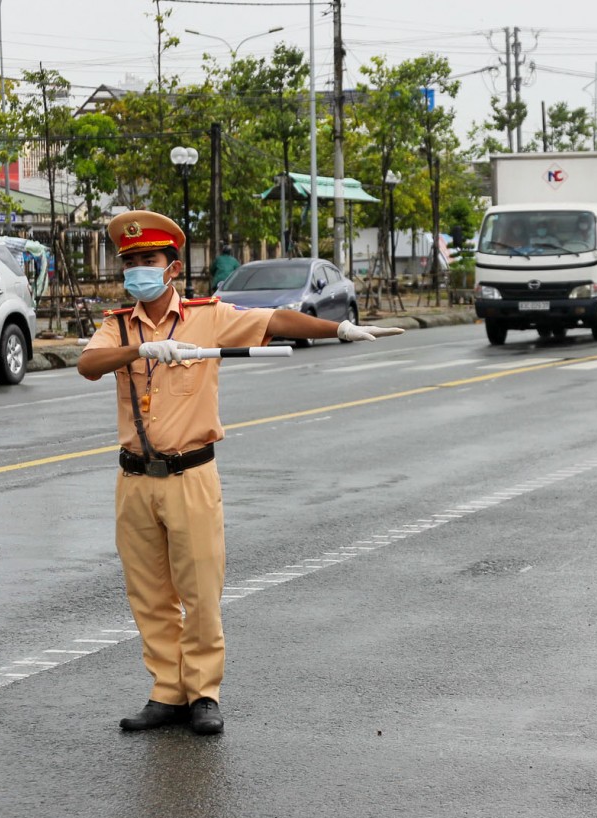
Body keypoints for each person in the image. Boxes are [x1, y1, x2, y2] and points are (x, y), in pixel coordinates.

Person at [76, 210, 404, 736]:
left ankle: (203, 692)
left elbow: (275, 321)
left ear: (172, 268)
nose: (138, 269)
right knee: (149, 593)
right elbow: (88, 365)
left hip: (191, 475)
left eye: (149, 260)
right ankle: (167, 692)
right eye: (131, 261)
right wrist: (139, 348)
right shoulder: (116, 325)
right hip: (135, 480)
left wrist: (339, 328)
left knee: (200, 590)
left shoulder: (207, 317)